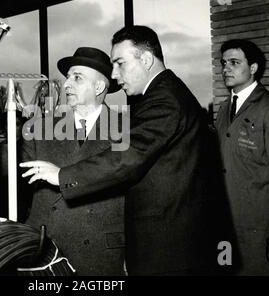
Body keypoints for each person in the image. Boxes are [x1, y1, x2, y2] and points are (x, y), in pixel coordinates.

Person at [21, 26, 225, 275]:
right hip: (51, 254)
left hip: (161, 251)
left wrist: (61, 175)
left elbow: (128, 159)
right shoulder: (42, 127)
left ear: (147, 59)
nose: (115, 74)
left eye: (119, 63)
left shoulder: (161, 103)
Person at [21, 47, 125, 275]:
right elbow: (15, 183)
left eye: (77, 78)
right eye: (67, 77)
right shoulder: (40, 129)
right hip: (46, 254)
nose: (66, 84)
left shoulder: (126, 129)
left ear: (99, 87)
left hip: (100, 255)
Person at [215, 39, 269, 275]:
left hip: (258, 226)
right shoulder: (223, 108)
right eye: (223, 62)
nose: (225, 68)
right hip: (225, 222)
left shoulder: (268, 108)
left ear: (253, 68)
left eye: (234, 62)